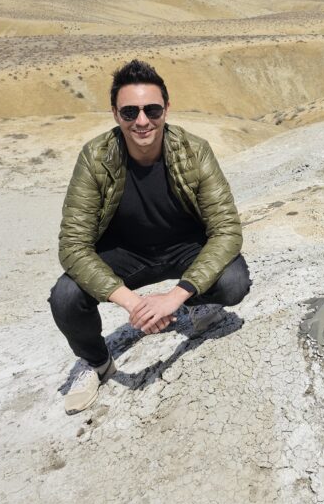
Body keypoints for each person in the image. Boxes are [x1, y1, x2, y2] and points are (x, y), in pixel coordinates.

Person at [49, 58, 251, 413]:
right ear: (115, 114)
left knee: (233, 282)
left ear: (166, 109)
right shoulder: (96, 158)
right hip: (124, 255)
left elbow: (226, 230)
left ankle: (196, 306)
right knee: (65, 297)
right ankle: (96, 363)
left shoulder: (194, 151)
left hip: (184, 249)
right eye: (130, 112)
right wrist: (134, 304)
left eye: (152, 109)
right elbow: (73, 245)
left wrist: (174, 297)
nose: (142, 121)